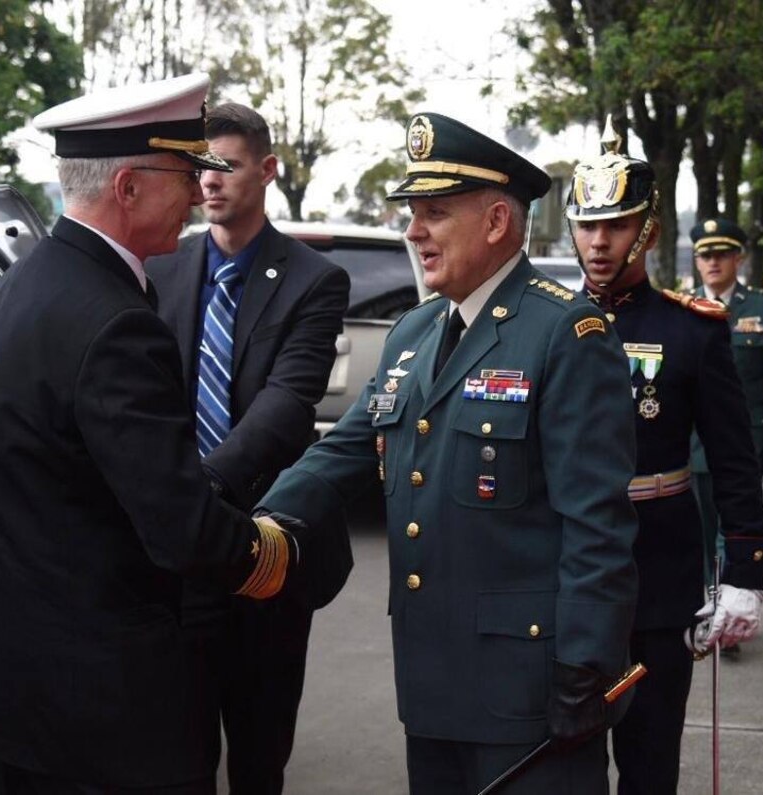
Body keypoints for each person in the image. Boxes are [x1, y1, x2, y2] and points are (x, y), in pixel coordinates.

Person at [257, 112, 640, 794]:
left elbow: (598, 526)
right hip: (432, 684)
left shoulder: (567, 333)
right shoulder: (414, 331)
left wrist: (586, 665)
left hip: (530, 694)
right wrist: (251, 523)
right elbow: (342, 451)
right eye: (411, 212)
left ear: (496, 221)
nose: (413, 231)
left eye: (434, 212)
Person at [0, 74, 303, 794]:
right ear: (130, 186)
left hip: (15, 692)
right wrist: (280, 552)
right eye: (187, 173)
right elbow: (180, 528)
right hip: (107, 718)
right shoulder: (116, 322)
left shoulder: (22, 283)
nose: (201, 192)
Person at [146, 102, 351, 794]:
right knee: (180, 753)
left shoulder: (312, 279)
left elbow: (288, 407)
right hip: (178, 561)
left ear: (266, 171)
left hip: (263, 552)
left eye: (227, 166)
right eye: (201, 167)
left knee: (261, 761)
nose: (209, 182)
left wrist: (199, 488)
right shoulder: (163, 268)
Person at [566, 119, 763, 794]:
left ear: (648, 229)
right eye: (588, 225)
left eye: (617, 225)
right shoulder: (545, 325)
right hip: (563, 581)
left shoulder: (692, 330)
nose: (599, 242)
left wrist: (744, 571)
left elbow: (735, 462)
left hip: (658, 578)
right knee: (567, 765)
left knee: (650, 764)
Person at [687, 218, 763, 605]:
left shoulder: (762, 310)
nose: (713, 262)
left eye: (721, 254)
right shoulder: (681, 309)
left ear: (739, 259)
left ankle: (725, 606)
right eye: (705, 255)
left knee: (733, 531)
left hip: (746, 445)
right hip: (691, 447)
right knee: (699, 533)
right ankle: (709, 601)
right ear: (697, 262)